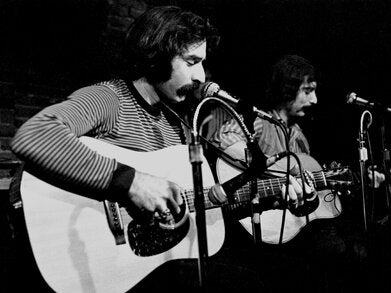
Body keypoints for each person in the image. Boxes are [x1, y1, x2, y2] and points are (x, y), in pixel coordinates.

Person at [9, 6, 266, 293]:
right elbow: (34, 134)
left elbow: (194, 202)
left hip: (143, 263)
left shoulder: (176, 123)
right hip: (89, 252)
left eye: (202, 63)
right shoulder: (109, 98)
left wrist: (267, 197)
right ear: (157, 58)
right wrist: (131, 182)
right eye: (191, 61)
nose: (201, 77)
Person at [208, 54, 372, 292]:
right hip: (248, 226)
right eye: (307, 91)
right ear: (286, 89)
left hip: (288, 230)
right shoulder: (259, 122)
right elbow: (223, 140)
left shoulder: (300, 138)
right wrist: (282, 170)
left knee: (352, 247)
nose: (315, 99)